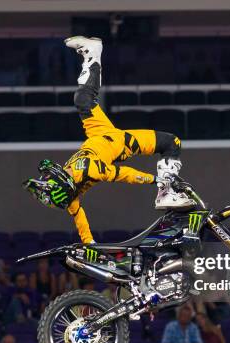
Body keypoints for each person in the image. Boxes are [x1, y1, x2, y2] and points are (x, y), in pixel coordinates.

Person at [24, 36, 195, 245]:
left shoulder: (67, 194)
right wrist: (154, 180)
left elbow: (79, 220)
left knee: (82, 100)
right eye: (54, 179)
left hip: (97, 133)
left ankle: (93, 50)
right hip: (120, 142)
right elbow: (123, 174)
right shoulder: (91, 170)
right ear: (65, 184)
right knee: (172, 142)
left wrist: (89, 243)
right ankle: (165, 193)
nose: (59, 171)